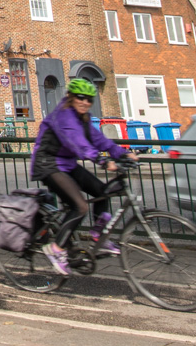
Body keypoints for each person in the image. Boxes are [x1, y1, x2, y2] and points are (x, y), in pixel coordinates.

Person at [29, 78, 132, 274]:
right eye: (81, 98)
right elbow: (78, 144)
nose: (85, 102)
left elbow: (99, 140)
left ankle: (98, 236)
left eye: (89, 100)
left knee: (102, 191)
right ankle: (55, 249)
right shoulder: (64, 116)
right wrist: (102, 160)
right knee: (80, 206)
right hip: (48, 164)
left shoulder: (82, 118)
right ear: (71, 97)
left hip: (66, 164)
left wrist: (123, 153)